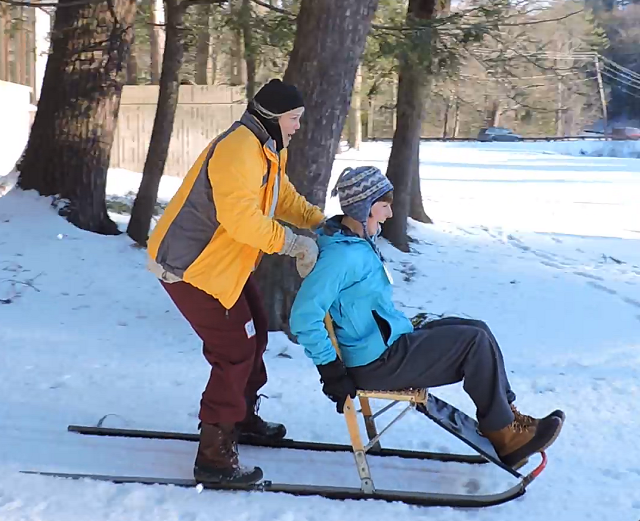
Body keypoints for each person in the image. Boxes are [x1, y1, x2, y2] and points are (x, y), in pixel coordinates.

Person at [289, 165, 564, 469]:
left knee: (477, 329)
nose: (390, 214)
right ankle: (504, 433)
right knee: (473, 343)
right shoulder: (343, 256)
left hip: (387, 345)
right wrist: (331, 371)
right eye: (384, 206)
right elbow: (304, 316)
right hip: (376, 363)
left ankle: (507, 419)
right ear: (363, 208)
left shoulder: (355, 242)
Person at [147, 79, 325, 485]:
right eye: (294, 119)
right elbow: (241, 220)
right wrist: (292, 243)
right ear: (274, 116)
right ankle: (213, 455)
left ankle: (241, 418)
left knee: (257, 332)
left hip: (222, 265)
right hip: (190, 267)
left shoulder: (265, 149)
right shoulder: (239, 149)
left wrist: (319, 221)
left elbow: (282, 199)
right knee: (234, 351)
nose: (298, 126)